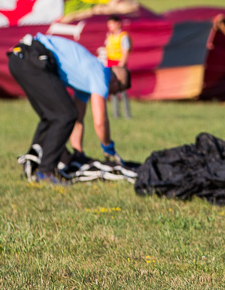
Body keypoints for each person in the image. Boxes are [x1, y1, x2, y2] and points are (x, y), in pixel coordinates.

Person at [7, 33, 123, 186]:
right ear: (116, 82)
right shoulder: (101, 75)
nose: (110, 95)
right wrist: (108, 147)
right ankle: (46, 172)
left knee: (52, 116)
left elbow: (78, 120)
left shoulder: (86, 82)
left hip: (19, 58)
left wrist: (78, 152)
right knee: (64, 114)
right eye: (114, 92)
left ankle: (34, 165)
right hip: (33, 57)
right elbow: (100, 122)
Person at [103, 16, 132, 119]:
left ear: (118, 23)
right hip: (110, 66)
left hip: (119, 66)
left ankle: (127, 115)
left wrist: (121, 67)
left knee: (123, 91)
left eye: (112, 24)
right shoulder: (109, 36)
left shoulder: (123, 36)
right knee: (113, 91)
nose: (110, 26)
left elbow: (125, 51)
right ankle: (116, 115)